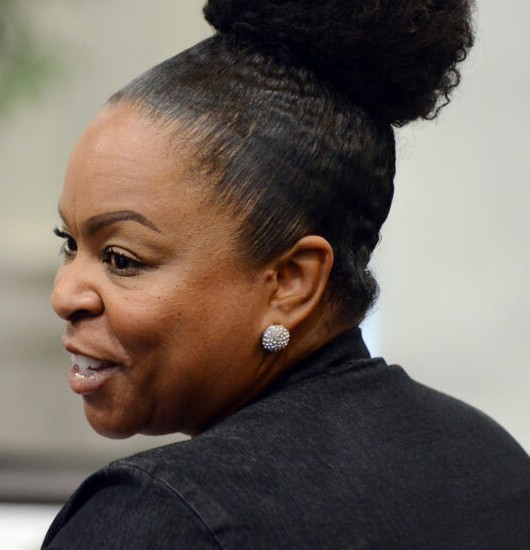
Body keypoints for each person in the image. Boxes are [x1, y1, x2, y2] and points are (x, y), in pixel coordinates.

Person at [43, 0, 530, 547]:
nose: (65, 294)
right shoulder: (494, 463)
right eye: (70, 243)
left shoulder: (168, 518)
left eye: (121, 259)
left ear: (292, 283)